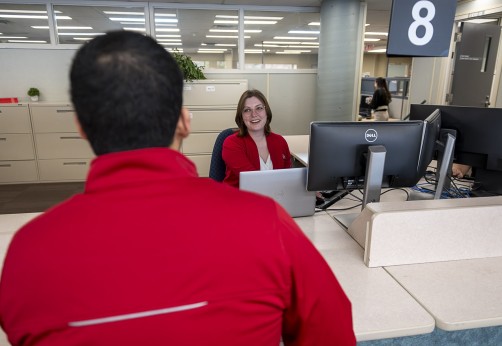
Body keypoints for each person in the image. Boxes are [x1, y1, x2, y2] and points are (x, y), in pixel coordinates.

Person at [0, 31, 355, 345]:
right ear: (185, 121)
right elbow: (333, 332)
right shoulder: (267, 225)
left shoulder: (26, 254)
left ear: (81, 127)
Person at [222, 89, 291, 187]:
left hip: (274, 197)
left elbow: (288, 177)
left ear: (266, 111)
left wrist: (304, 189)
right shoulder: (231, 143)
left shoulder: (280, 141)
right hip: (239, 199)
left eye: (259, 108)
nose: (254, 114)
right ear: (241, 116)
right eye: (247, 110)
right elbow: (253, 181)